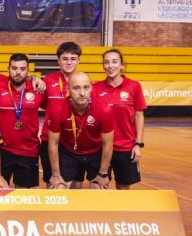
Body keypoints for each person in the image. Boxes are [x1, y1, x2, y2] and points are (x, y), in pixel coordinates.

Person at [48, 72, 114, 190]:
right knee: (57, 189)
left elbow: (108, 144)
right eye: (76, 88)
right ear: (68, 89)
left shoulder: (104, 109)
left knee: (100, 189)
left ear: (91, 88)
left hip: (95, 152)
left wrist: (103, 174)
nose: (82, 93)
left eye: (86, 87)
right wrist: (56, 175)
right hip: (69, 152)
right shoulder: (57, 109)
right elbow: (53, 143)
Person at [92, 49, 146, 190]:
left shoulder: (134, 86)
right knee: (99, 188)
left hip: (125, 148)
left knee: (123, 189)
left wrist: (138, 144)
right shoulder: (95, 88)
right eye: (106, 62)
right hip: (100, 148)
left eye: (114, 62)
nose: (110, 66)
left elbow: (139, 116)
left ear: (122, 65)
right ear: (103, 66)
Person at [0, 54, 47, 188]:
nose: (18, 72)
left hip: (29, 151)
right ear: (8, 69)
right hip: (2, 150)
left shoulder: (38, 89)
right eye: (14, 68)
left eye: (23, 69)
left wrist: (36, 79)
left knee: (23, 194)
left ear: (28, 70)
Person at [40, 41, 82, 185]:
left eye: (73, 59)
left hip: (74, 140)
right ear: (58, 61)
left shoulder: (84, 82)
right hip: (50, 139)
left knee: (76, 183)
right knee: (52, 182)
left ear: (78, 60)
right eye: (65, 59)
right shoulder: (47, 81)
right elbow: (44, 104)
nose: (69, 62)